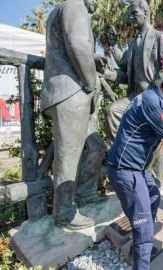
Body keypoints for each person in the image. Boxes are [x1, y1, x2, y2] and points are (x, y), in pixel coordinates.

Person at [107, 75, 163, 270]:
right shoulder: (158, 108)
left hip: (135, 168)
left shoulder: (149, 95)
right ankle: (141, 254)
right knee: (145, 227)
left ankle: (139, 248)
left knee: (153, 196)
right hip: (127, 171)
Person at [41, 0, 107, 230]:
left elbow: (72, 47)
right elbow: (77, 45)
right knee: (68, 155)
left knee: (96, 145)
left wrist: (94, 58)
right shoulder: (74, 5)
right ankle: (65, 213)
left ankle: (85, 193)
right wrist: (90, 83)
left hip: (71, 92)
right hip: (69, 92)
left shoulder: (65, 9)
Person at [102, 0, 163, 186]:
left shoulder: (159, 37)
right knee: (111, 111)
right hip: (134, 97)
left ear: (145, 13)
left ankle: (155, 180)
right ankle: (122, 157)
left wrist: (156, 96)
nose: (131, 17)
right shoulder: (132, 44)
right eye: (130, 14)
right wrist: (114, 44)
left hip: (152, 97)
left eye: (134, 13)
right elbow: (123, 65)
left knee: (155, 133)